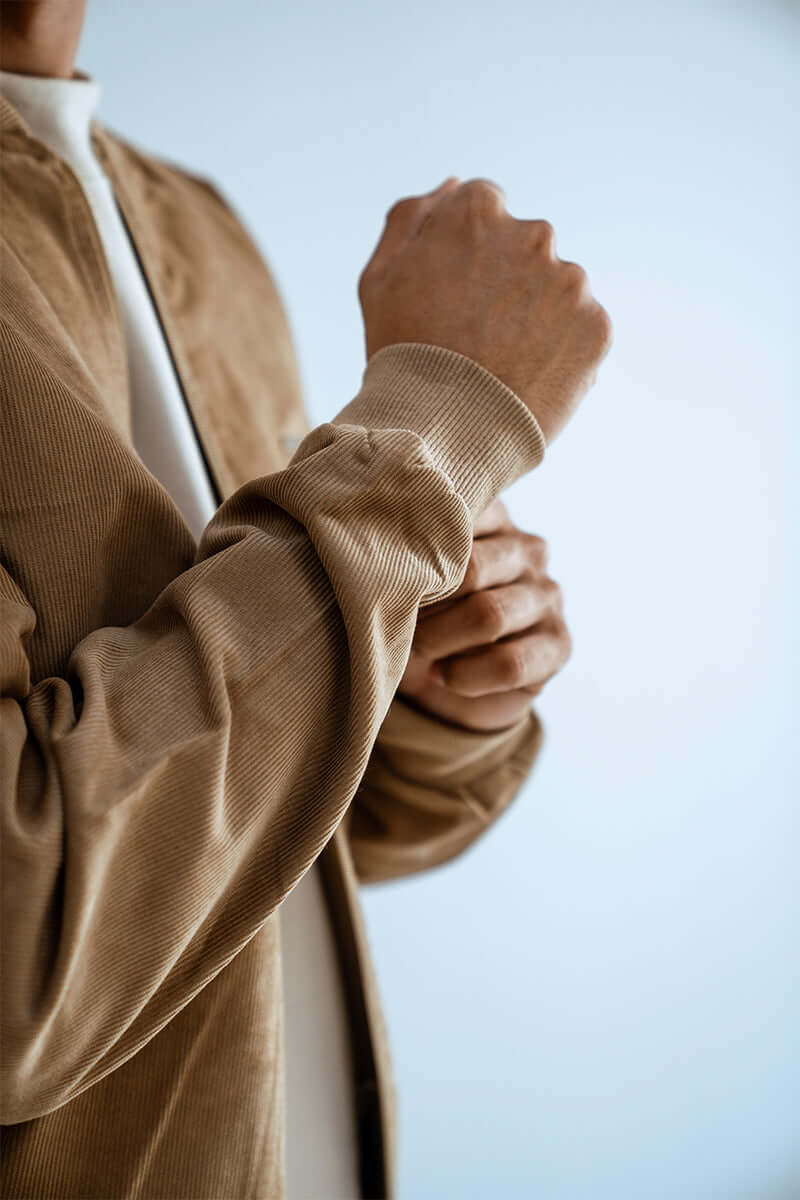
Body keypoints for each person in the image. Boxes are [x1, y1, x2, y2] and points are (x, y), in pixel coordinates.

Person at [0, 1, 612, 1196]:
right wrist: (435, 427)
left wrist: (436, 702)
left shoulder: (202, 229)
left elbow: (272, 825)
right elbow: (21, 953)